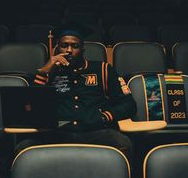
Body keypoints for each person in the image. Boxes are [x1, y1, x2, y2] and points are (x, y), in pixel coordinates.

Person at [15, 21, 137, 160]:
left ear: (83, 49)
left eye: (75, 46)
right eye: (64, 45)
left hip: (95, 132)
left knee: (123, 143)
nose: (69, 50)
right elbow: (32, 107)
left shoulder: (103, 69)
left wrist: (104, 116)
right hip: (57, 133)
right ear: (57, 49)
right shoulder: (49, 72)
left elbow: (129, 105)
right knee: (23, 147)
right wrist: (43, 72)